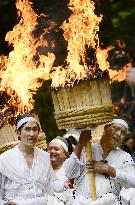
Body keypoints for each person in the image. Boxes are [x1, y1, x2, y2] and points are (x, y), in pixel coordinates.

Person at [0, 114, 69, 205]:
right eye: (27, 129)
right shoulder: (4, 159)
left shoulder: (44, 157)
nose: (32, 134)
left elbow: (51, 184)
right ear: (18, 132)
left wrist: (65, 183)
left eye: (35, 129)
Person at [64, 119, 135, 205]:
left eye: (123, 133)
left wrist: (110, 170)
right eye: (116, 128)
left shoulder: (125, 156)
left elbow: (133, 181)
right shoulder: (86, 149)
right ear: (106, 128)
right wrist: (80, 144)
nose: (119, 134)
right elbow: (69, 173)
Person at [47, 136, 74, 205]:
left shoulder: (70, 175)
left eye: (56, 149)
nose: (52, 151)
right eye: (49, 149)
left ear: (66, 154)